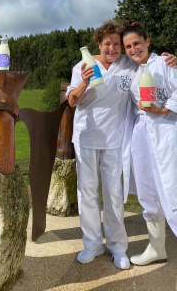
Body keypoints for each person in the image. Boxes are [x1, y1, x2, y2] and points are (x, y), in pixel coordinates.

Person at [66, 20, 176, 270]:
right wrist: (83, 82)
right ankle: (92, 244)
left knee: (114, 195)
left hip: (116, 140)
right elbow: (72, 101)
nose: (114, 49)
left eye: (118, 44)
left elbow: (150, 61)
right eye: (108, 44)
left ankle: (118, 247)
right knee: (87, 193)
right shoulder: (83, 65)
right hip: (86, 138)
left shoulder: (128, 63)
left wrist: (173, 61)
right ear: (99, 44)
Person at [121, 19, 177, 266]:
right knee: (147, 190)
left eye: (137, 43)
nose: (133, 49)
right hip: (141, 133)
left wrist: (165, 110)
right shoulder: (133, 71)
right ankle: (156, 248)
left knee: (172, 188)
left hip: (165, 130)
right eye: (128, 47)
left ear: (147, 42)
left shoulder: (164, 63)